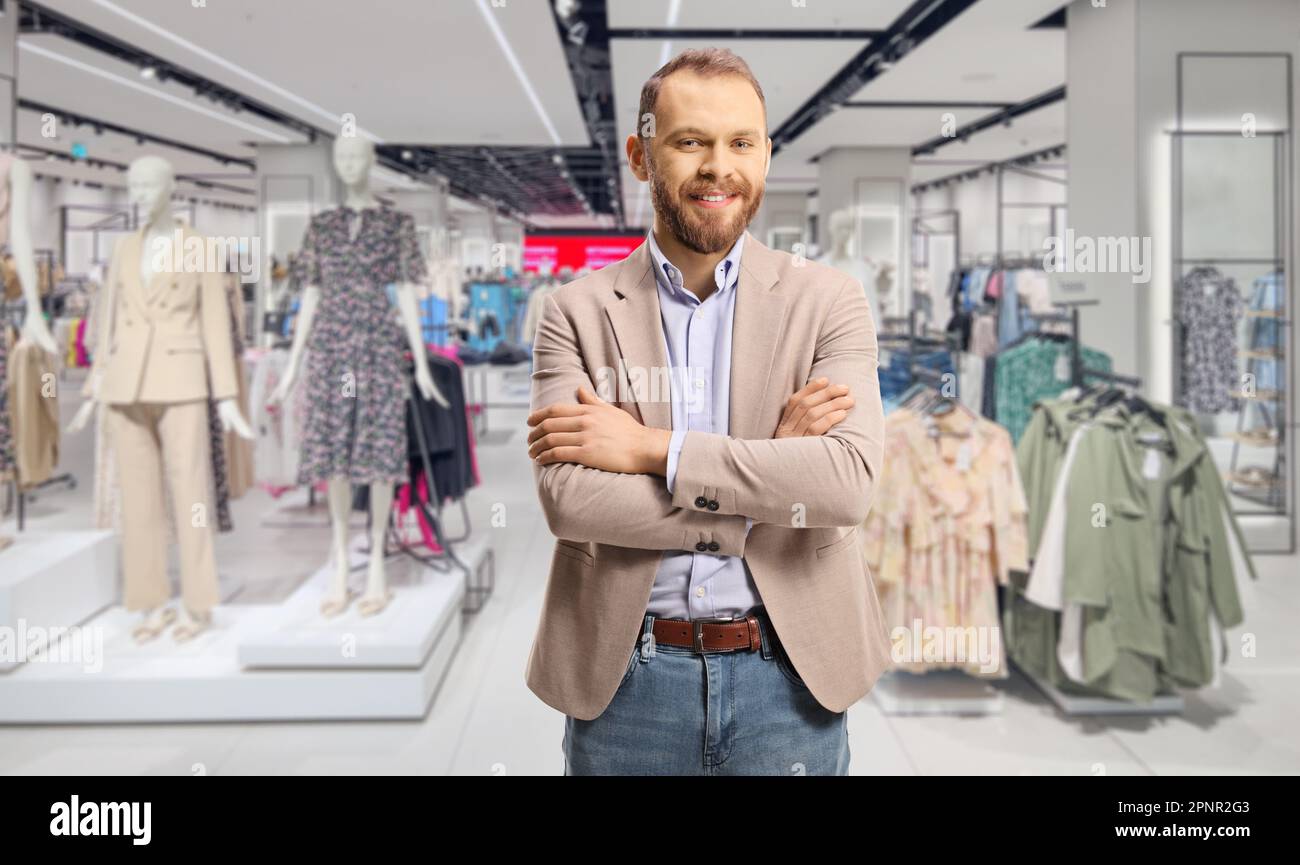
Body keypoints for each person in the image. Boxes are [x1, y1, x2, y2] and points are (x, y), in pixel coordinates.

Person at [524, 47, 891, 776]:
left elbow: (845, 483)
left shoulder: (830, 301)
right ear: (640, 155)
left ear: (766, 155)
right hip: (628, 681)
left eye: (741, 143)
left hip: (788, 677)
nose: (718, 166)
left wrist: (649, 449)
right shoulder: (573, 311)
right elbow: (570, 500)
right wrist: (768, 479)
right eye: (690, 141)